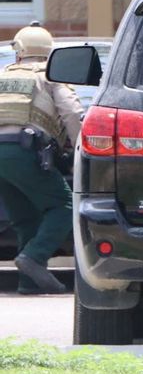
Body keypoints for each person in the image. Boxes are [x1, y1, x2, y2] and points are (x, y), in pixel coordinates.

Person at [0, 21, 82, 294]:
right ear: (49, 54)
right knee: (66, 205)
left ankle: (28, 283)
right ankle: (33, 258)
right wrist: (81, 148)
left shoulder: (3, 75)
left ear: (18, 52)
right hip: (25, 151)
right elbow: (71, 112)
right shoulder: (51, 76)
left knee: (26, 219)